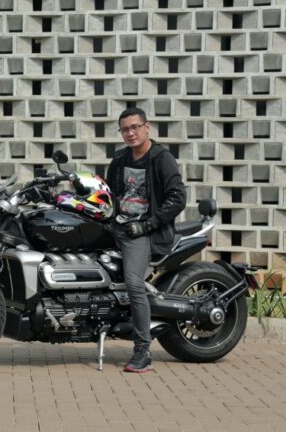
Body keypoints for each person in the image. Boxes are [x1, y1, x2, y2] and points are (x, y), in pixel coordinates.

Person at [106, 107, 186, 373]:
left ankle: (143, 351)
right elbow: (110, 193)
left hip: (143, 231)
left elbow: (178, 198)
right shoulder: (120, 159)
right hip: (118, 226)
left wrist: (147, 225)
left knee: (133, 283)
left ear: (146, 127)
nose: (130, 133)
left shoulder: (161, 158)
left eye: (134, 127)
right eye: (124, 129)